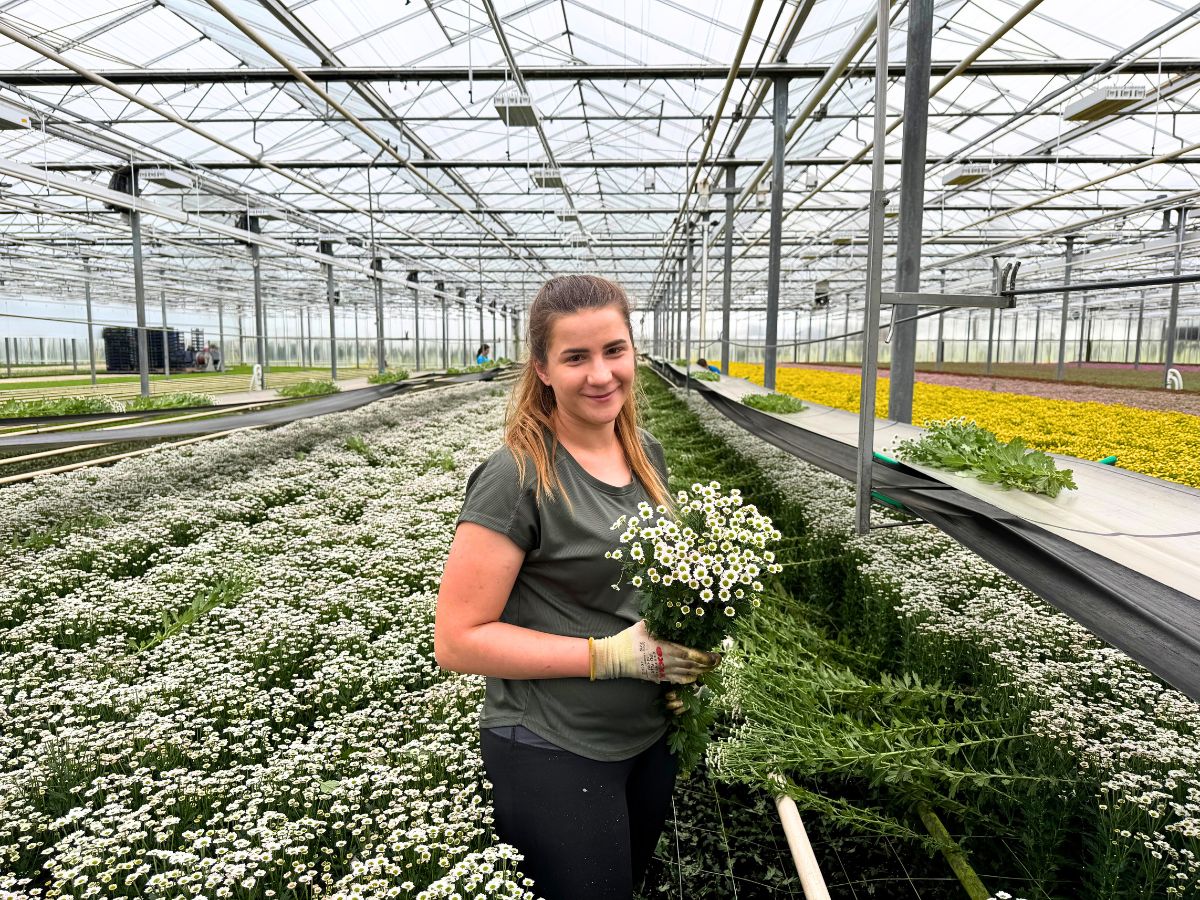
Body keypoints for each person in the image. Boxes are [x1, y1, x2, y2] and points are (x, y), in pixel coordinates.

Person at [436, 275, 719, 900]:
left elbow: (643, 586)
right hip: (554, 743)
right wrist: (609, 656)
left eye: (614, 350)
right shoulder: (518, 475)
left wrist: (692, 640)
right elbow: (457, 641)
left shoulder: (645, 451)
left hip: (648, 736)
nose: (601, 374)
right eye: (576, 357)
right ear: (541, 367)